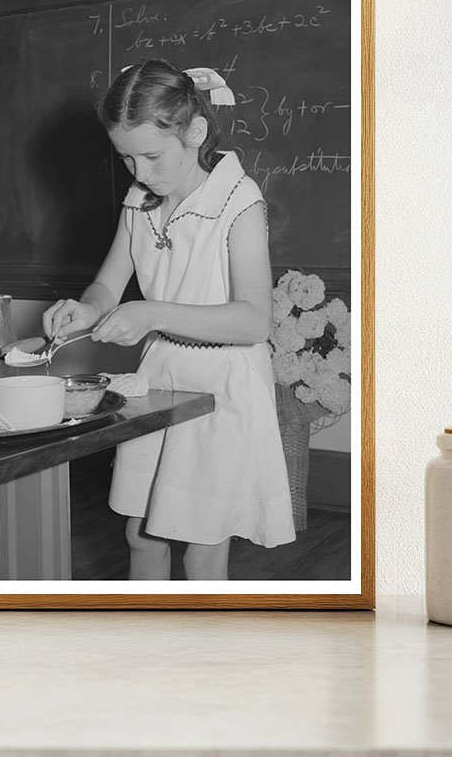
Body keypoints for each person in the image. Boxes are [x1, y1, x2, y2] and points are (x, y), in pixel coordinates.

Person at [43, 59, 295, 581]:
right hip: (159, 384)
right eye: (126, 158)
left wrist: (151, 312)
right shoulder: (139, 201)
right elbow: (108, 285)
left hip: (222, 386)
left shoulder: (238, 202)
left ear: (194, 133)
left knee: (202, 545)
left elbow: (253, 322)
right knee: (142, 533)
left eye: (152, 156)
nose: (139, 173)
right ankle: (146, 652)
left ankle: (200, 661)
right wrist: (86, 309)